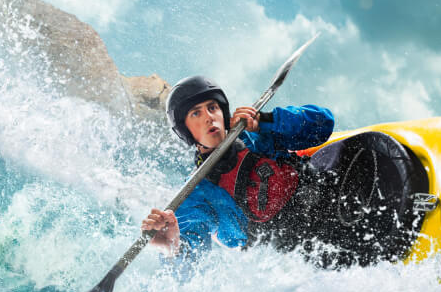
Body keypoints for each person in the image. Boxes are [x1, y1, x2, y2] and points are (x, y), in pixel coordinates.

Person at [141, 75, 334, 269]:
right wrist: (171, 247)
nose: (208, 117)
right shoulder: (194, 195)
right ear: (185, 130)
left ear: (223, 112)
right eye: (196, 114)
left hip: (323, 200)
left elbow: (323, 124)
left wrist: (266, 120)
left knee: (361, 146)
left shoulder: (255, 134)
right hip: (292, 248)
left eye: (212, 108)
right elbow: (189, 266)